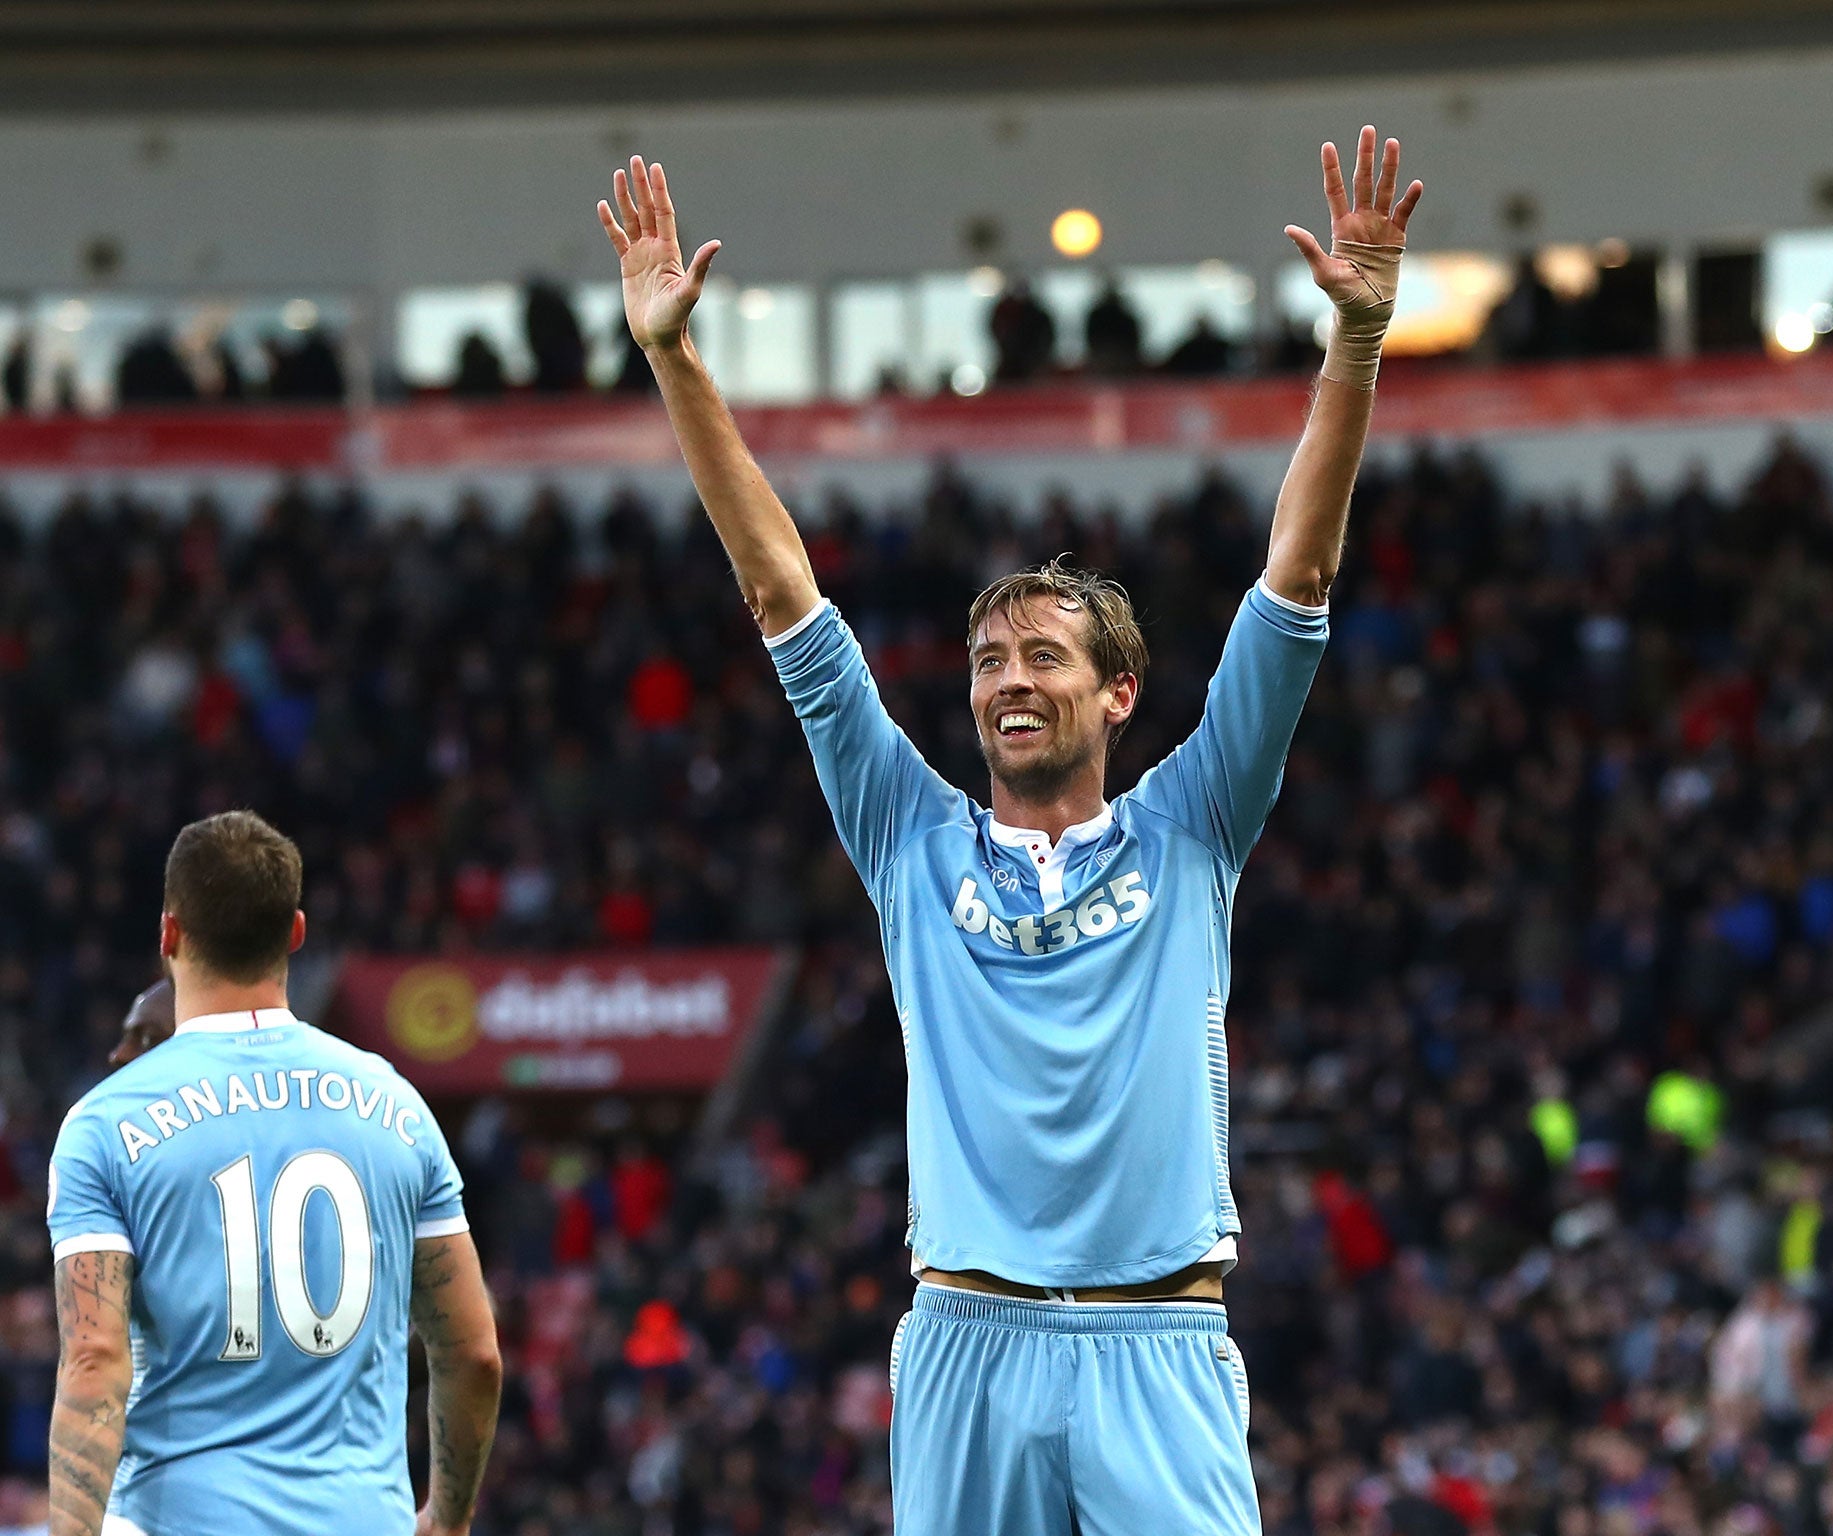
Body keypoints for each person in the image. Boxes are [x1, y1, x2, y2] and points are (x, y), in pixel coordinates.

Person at [599, 127, 1420, 1534]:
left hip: (1155, 1350)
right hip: (967, 1342)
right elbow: (782, 595)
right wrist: (677, 361)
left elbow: (1301, 572)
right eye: (986, 662)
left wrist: (1353, 345)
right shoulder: (909, 838)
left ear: (1118, 692)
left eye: (1042, 656)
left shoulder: (1195, 823)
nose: (1007, 681)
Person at [44, 811, 501, 1536]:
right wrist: (446, 1520)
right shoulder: (399, 1108)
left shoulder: (105, 1124)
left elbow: (95, 1360)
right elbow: (473, 1354)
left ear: (168, 934)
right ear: (294, 931)